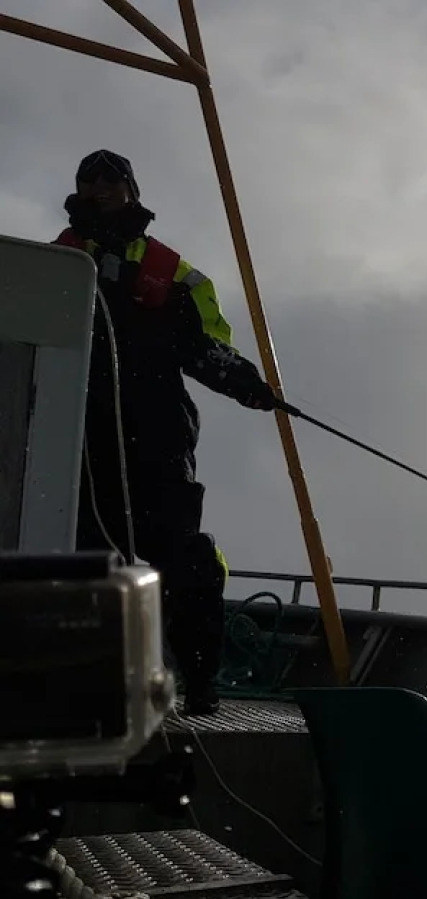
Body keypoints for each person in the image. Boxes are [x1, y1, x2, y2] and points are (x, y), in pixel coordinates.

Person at [53, 149, 278, 715]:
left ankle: (198, 684)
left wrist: (245, 382)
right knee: (77, 560)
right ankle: (79, 684)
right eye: (89, 178)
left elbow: (207, 349)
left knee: (185, 559)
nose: (100, 186)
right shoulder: (51, 263)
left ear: (132, 189)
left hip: (158, 440)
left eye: (112, 178)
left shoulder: (175, 275)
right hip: (72, 443)